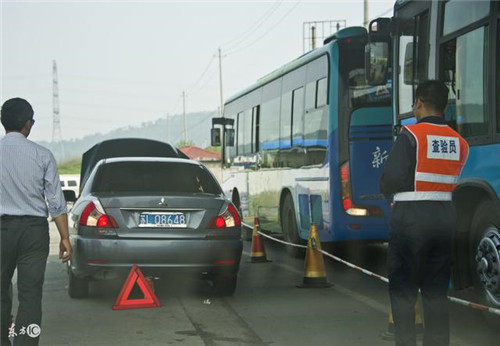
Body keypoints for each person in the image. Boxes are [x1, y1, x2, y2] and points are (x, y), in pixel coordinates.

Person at [380, 80, 469, 346]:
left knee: (403, 291)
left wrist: (388, 191)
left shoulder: (411, 135)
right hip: (444, 219)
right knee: (436, 292)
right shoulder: (460, 142)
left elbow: (391, 179)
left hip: (410, 218)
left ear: (418, 102)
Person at [1, 98, 72, 345]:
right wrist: (65, 237)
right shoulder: (43, 155)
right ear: (28, 124)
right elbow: (56, 202)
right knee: (30, 295)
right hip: (33, 232)